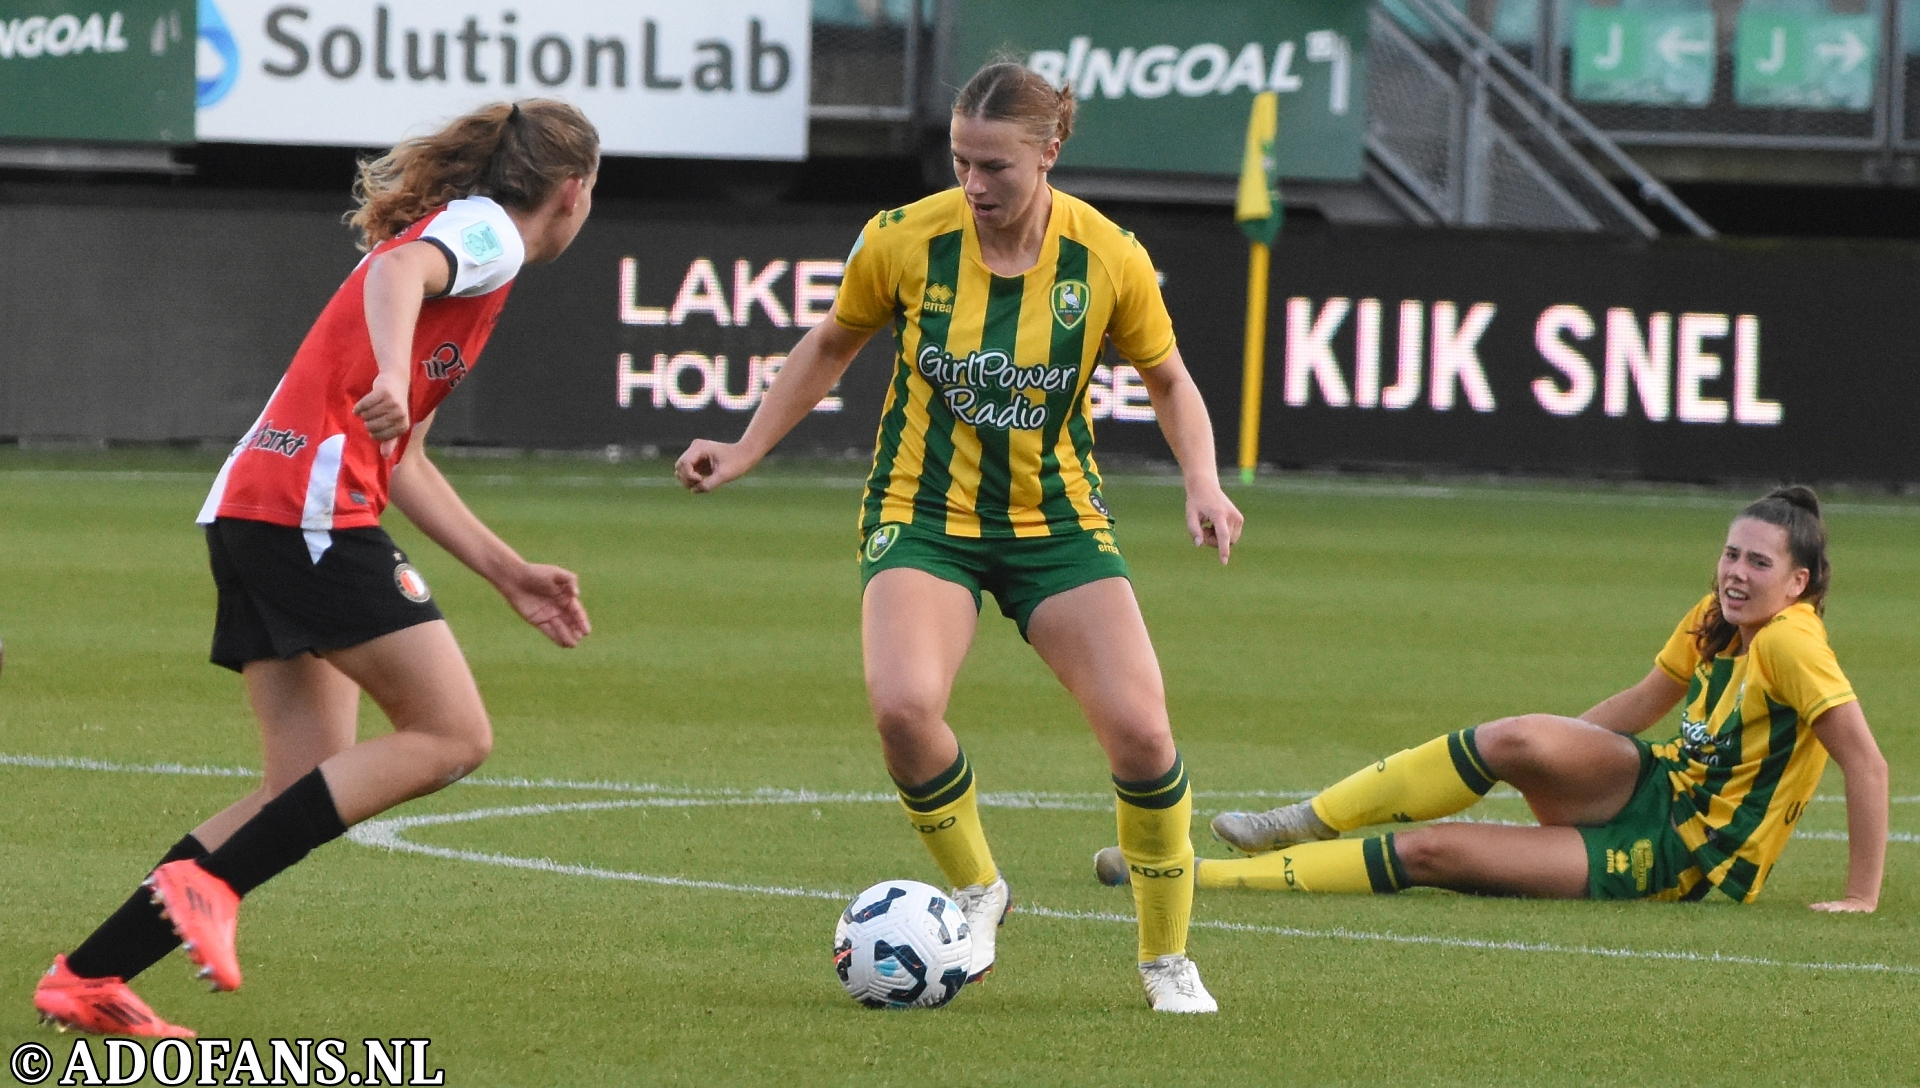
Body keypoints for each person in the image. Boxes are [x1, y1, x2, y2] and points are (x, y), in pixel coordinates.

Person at [675, 62, 1244, 1013]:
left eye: (995, 168)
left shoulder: (1108, 258)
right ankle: (980, 891)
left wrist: (1203, 481)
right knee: (903, 706)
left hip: (1057, 523)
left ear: (1049, 155)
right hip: (922, 514)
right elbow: (829, 344)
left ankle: (1165, 959)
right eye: (959, 161)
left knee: (1143, 736)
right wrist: (744, 448)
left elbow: (1171, 379)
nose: (973, 185)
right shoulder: (903, 240)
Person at [34, 100, 600, 1039]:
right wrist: (385, 372)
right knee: (453, 736)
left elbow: (405, 455)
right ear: (574, 193)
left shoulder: (476, 260)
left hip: (258, 508)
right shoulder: (490, 234)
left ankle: (89, 977)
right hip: (303, 513)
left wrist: (507, 571)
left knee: (306, 780)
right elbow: (395, 268)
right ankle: (204, 884)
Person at [1097, 486, 1888, 911]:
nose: (1735, 573)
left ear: (1800, 582)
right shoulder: (1720, 618)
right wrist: (1554, 761)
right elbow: (1647, 699)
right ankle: (1305, 820)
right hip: (1652, 786)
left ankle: (1192, 876)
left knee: (1433, 853)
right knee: (1516, 737)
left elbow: (1866, 764)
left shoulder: (1791, 640)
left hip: (1686, 856)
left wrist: (1860, 895)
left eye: (1757, 563)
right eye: (1730, 554)